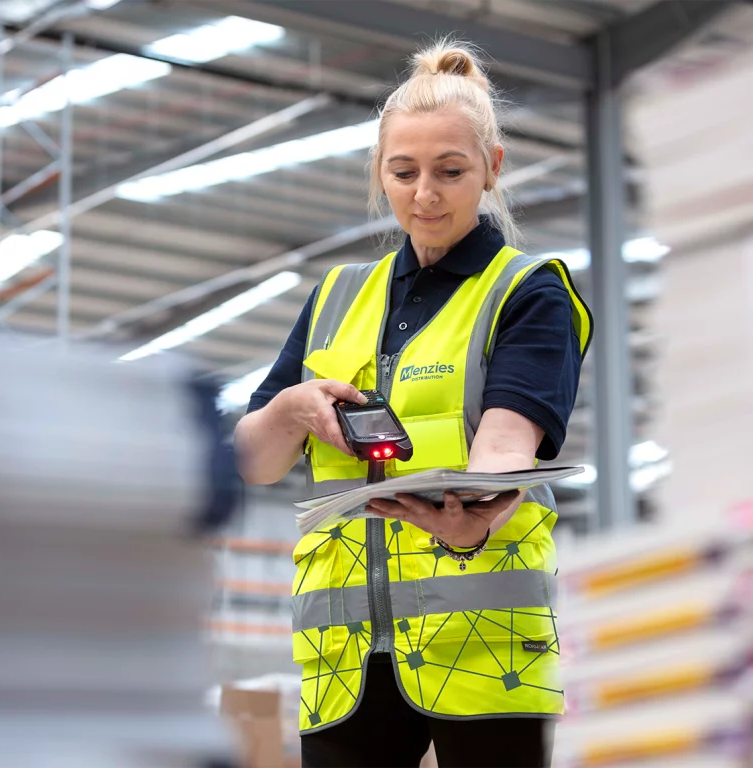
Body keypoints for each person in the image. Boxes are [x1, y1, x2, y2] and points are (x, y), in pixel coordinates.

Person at [233, 41, 592, 768]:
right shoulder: (336, 298)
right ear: (380, 173)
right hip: (344, 661)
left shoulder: (528, 292)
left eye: (450, 172)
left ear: (492, 167)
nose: (425, 193)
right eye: (403, 173)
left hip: (485, 650)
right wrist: (293, 410)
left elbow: (504, 448)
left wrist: (473, 518)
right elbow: (249, 461)